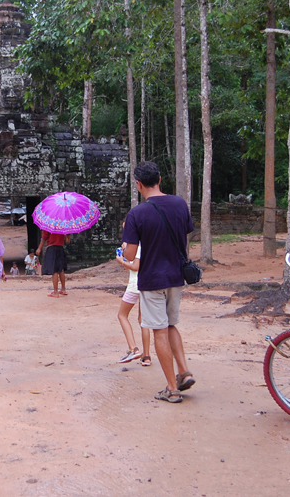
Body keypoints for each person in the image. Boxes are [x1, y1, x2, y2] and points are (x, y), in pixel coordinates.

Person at [122, 161, 195, 404]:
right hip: (176, 276)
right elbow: (184, 237)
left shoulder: (137, 214)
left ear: (139, 184)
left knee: (159, 331)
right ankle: (184, 370)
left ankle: (172, 389)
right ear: (160, 179)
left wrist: (124, 247)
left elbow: (131, 256)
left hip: (152, 280)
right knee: (171, 324)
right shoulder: (180, 204)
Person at [116, 235, 151, 366]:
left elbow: (136, 267)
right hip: (146, 284)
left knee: (122, 315)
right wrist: (125, 258)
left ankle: (133, 348)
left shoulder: (138, 246)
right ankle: (146, 356)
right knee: (143, 320)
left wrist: (122, 261)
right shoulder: (148, 243)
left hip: (135, 286)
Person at [36, 230, 68, 297]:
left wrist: (39, 248)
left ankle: (55, 292)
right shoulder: (63, 224)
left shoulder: (49, 224)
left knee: (54, 270)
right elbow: (68, 240)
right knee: (61, 269)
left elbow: (44, 237)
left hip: (52, 248)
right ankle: (63, 289)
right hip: (60, 247)